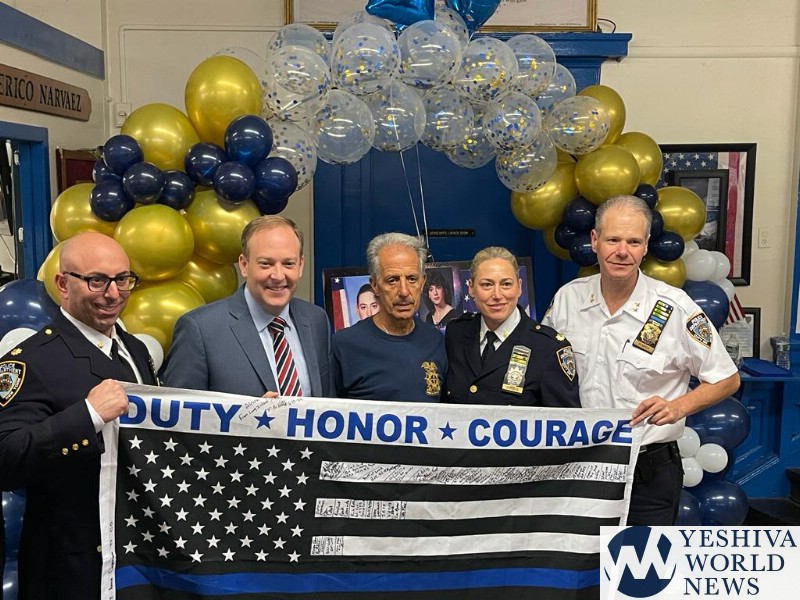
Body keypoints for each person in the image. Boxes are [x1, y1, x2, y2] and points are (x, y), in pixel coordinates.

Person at [541, 195, 740, 526]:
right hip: (579, 465)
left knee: (636, 559)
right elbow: (543, 369)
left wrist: (678, 407)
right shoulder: (568, 300)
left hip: (647, 472)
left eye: (633, 242)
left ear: (646, 246)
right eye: (613, 240)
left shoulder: (675, 308)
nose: (622, 251)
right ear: (595, 240)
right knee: (581, 557)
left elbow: (727, 378)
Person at [0, 231, 157, 600]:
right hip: (71, 569)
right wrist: (87, 416)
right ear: (62, 284)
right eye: (96, 280)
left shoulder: (134, 349)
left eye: (122, 279)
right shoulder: (31, 360)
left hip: (138, 557)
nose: (113, 293)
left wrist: (247, 415)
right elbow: (6, 459)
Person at [162, 215, 334, 398]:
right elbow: (180, 412)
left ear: (300, 265)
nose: (278, 275)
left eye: (288, 264)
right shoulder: (200, 330)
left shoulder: (316, 320)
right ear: (244, 265)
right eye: (266, 264)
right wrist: (247, 415)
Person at [442, 246, 580, 407]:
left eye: (506, 284)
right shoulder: (456, 334)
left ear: (519, 287)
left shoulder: (548, 348)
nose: (497, 295)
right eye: (487, 285)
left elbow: (564, 420)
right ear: (471, 288)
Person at [332, 232, 446, 402]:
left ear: (422, 283)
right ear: (374, 285)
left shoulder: (435, 340)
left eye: (412, 279)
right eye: (392, 280)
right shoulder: (344, 345)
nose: (404, 292)